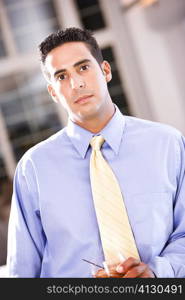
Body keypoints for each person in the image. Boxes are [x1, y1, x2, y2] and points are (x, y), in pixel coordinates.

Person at [7, 27, 185, 278]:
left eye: (83, 68)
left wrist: (157, 272)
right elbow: (22, 272)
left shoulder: (168, 144)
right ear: (53, 93)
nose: (76, 83)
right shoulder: (33, 168)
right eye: (61, 76)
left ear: (105, 71)